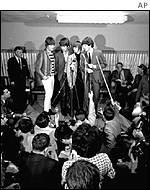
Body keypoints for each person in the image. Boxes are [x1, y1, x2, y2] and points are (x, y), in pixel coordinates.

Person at [80, 37, 107, 115]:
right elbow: (81, 67)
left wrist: (94, 67)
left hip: (96, 79)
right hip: (87, 79)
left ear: (90, 45)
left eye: (84, 45)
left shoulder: (98, 52)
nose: (83, 47)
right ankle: (86, 112)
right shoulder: (83, 54)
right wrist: (86, 69)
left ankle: (94, 112)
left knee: (96, 97)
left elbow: (104, 64)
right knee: (86, 96)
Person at [36, 37, 56, 115]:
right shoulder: (42, 54)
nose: (52, 46)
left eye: (53, 45)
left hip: (52, 76)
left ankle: (49, 108)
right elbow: (37, 68)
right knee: (48, 94)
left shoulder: (52, 53)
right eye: (51, 45)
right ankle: (45, 111)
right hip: (46, 77)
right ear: (46, 45)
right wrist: (43, 76)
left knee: (50, 94)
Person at [7, 46, 31, 113]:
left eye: (21, 52)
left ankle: (22, 108)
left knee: (23, 94)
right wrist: (12, 80)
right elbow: (10, 71)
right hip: (15, 81)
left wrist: (28, 78)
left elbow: (26, 70)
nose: (20, 53)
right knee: (16, 95)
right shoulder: (11, 60)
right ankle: (16, 110)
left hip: (22, 81)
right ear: (15, 52)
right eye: (18, 52)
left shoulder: (23, 60)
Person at [54, 37, 73, 118]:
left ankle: (70, 109)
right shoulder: (57, 55)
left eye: (64, 46)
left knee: (70, 94)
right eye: (61, 46)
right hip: (62, 76)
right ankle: (63, 110)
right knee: (63, 94)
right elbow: (55, 67)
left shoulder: (72, 53)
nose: (63, 48)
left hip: (70, 76)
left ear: (68, 46)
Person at [67, 41, 84, 113]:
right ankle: (75, 110)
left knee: (82, 95)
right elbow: (68, 71)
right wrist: (70, 82)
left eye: (75, 47)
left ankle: (81, 110)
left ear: (79, 48)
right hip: (75, 78)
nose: (74, 48)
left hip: (83, 79)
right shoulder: (70, 57)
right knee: (74, 96)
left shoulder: (84, 56)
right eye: (73, 47)